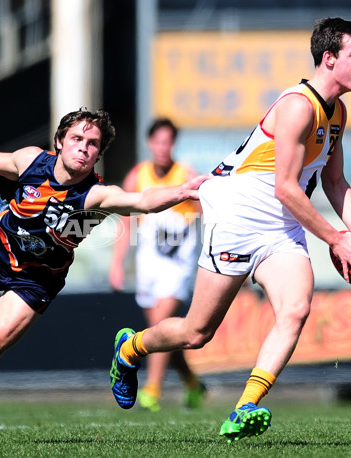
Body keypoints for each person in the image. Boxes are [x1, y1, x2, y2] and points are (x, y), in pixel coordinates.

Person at [109, 17, 351, 442]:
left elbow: (334, 182)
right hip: (238, 218)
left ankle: (246, 406)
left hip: (282, 227)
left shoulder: (338, 113)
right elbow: (285, 188)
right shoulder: (298, 106)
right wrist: (336, 239)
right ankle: (130, 348)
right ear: (329, 58)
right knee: (196, 333)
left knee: (295, 309)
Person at [0, 108, 209, 446]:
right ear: (60, 141)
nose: (84, 147)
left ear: (98, 154)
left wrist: (182, 192)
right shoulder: (32, 162)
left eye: (93, 143)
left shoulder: (96, 195)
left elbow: (143, 200)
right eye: (77, 138)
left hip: (36, 280)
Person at [109, 118, 205, 412]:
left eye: (169, 142)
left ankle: (152, 390)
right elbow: (125, 223)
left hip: (179, 266)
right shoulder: (138, 176)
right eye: (158, 142)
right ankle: (192, 383)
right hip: (148, 265)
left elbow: (207, 213)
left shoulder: (186, 175)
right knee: (162, 333)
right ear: (150, 143)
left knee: (161, 325)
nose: (163, 148)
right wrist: (117, 263)